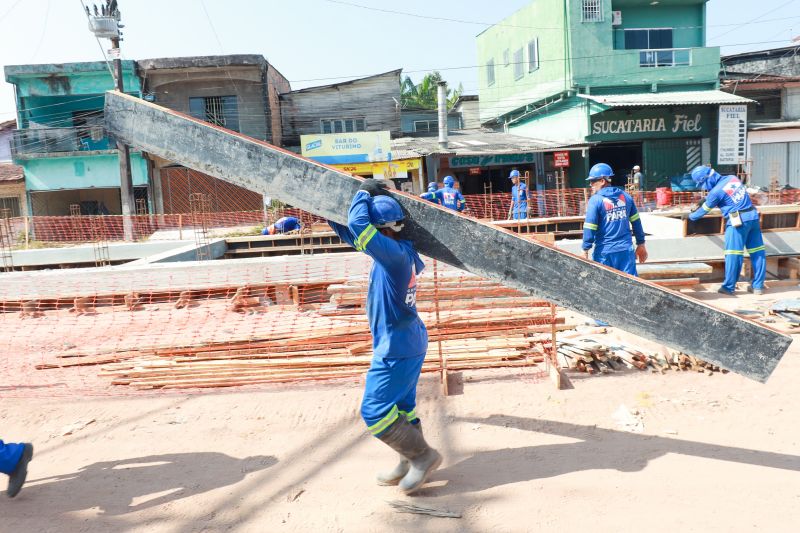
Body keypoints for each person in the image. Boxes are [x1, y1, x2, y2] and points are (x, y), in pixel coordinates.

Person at [328, 180, 442, 494]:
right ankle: (408, 459)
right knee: (403, 408)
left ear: (384, 231)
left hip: (396, 347)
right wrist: (326, 209)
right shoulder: (399, 250)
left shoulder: (393, 258)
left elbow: (359, 227)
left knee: (375, 410)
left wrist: (363, 192)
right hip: (409, 341)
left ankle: (422, 456)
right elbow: (354, 233)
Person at [688, 166, 765, 295]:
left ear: (707, 178)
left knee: (733, 254)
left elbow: (701, 212)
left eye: (702, 184)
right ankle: (758, 287)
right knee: (757, 252)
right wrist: (706, 199)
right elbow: (726, 194)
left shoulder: (715, 192)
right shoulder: (732, 178)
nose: (703, 187)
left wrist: (690, 216)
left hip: (737, 221)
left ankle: (728, 288)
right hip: (753, 217)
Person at [582, 163, 648, 276]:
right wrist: (641, 244)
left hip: (605, 253)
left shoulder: (595, 200)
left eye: (593, 181)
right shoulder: (626, 197)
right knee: (630, 286)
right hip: (625, 252)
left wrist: (585, 249)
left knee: (605, 288)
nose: (590, 184)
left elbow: (590, 227)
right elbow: (636, 222)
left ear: (602, 181)